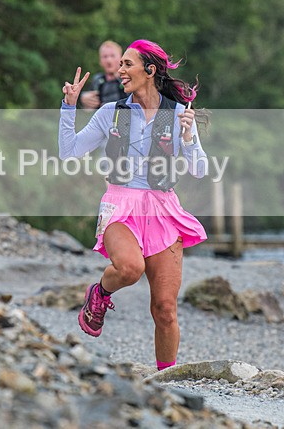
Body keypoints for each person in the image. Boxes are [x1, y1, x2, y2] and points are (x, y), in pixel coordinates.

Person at [59, 39, 208, 372]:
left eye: (128, 64)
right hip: (120, 204)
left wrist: (187, 140)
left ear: (150, 70)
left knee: (165, 309)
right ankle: (99, 292)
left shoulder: (179, 115)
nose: (119, 70)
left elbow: (199, 169)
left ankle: (165, 379)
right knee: (129, 268)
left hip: (163, 208)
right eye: (120, 63)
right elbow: (69, 151)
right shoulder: (111, 113)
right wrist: (68, 107)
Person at [80, 40, 124, 109]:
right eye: (105, 57)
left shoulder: (127, 80)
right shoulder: (97, 80)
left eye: (112, 56)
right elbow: (88, 108)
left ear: (121, 58)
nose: (109, 60)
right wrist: (83, 98)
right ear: (100, 61)